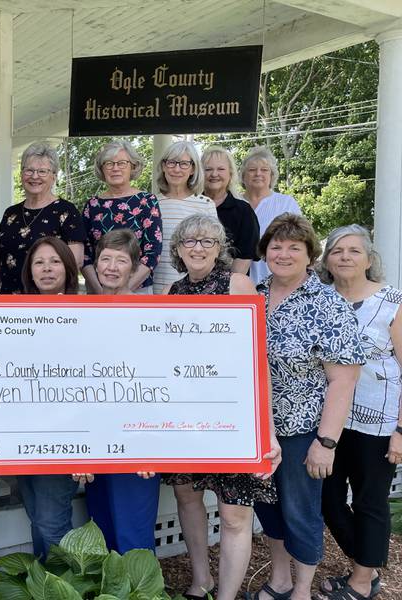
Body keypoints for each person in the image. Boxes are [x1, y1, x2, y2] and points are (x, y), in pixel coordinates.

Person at [163, 214, 281, 600]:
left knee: (233, 513)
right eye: (190, 242)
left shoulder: (238, 285)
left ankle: (228, 596)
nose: (198, 248)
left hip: (233, 413)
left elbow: (257, 358)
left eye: (207, 241)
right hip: (184, 415)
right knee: (187, 497)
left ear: (220, 249)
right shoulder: (172, 294)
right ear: (178, 250)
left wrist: (267, 428)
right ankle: (201, 581)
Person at [249, 213, 364, 600]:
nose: (282, 254)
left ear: (309, 255)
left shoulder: (329, 306)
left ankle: (300, 589)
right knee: (269, 510)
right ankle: (280, 579)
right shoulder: (253, 296)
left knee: (301, 513)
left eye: (293, 247)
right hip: (257, 429)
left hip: (302, 432)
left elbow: (343, 379)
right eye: (275, 246)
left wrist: (326, 442)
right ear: (265, 252)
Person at [316, 225, 401, 600]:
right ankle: (366, 560)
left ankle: (362, 580)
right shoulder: (319, 299)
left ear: (369, 259)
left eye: (353, 251)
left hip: (378, 421)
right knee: (328, 500)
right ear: (327, 260)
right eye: (337, 251)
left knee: (369, 500)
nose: (345, 257)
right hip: (330, 419)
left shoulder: (392, 302)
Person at [83, 229, 161, 553]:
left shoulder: (151, 316)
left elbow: (159, 384)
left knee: (133, 537)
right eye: (106, 259)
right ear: (96, 264)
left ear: (134, 267)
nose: (112, 267)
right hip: (95, 436)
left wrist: (147, 444)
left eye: (121, 260)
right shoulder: (81, 314)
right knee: (102, 531)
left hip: (134, 441)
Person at [16, 236, 85, 559]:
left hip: (63, 436)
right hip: (22, 435)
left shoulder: (85, 313)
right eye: (39, 262)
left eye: (54, 262)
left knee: (51, 522)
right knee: (35, 515)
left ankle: (62, 588)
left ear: (68, 268)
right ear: (29, 271)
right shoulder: (13, 314)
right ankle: (43, 584)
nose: (46, 269)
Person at [0, 141, 85, 294]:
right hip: (6, 304)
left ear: (54, 176)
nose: (34, 176)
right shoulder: (11, 213)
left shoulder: (67, 211)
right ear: (22, 173)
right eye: (29, 170)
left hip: (45, 304)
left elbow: (74, 262)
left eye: (42, 171)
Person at [81, 139, 162, 294]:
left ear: (133, 166)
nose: (115, 168)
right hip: (99, 291)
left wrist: (124, 291)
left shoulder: (147, 201)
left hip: (137, 290)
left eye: (122, 163)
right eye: (109, 163)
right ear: (102, 169)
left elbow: (153, 252)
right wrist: (101, 292)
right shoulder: (92, 205)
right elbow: (85, 254)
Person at [152, 140, 217, 294]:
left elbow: (213, 250)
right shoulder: (151, 203)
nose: (176, 169)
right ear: (163, 166)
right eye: (171, 163)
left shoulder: (206, 204)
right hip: (155, 287)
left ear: (193, 169)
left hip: (193, 289)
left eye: (183, 164)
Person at [240, 146, 301, 284]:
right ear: (243, 176)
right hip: (237, 284)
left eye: (264, 170)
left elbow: (300, 242)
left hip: (276, 281)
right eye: (252, 170)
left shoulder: (286, 203)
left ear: (272, 175)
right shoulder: (234, 203)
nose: (258, 173)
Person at [201, 145, 260, 275]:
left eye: (221, 169)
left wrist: (225, 290)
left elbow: (244, 259)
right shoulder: (191, 206)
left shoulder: (244, 212)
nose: (214, 174)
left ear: (230, 173)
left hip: (229, 288)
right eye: (208, 169)